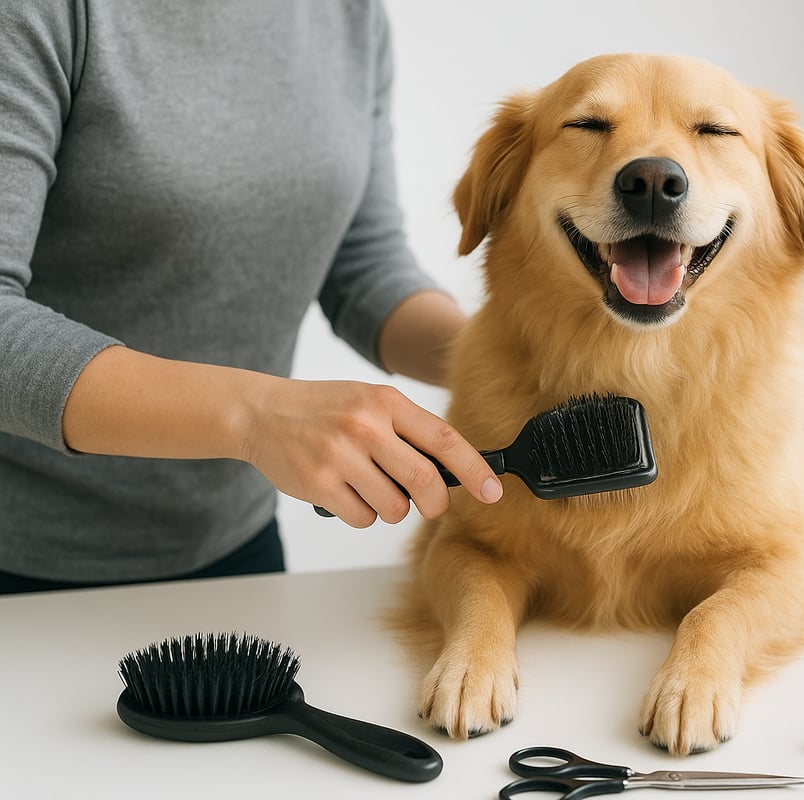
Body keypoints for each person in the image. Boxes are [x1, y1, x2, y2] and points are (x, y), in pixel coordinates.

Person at [0, 1, 502, 594]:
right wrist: (253, 416)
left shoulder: (348, 15)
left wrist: (513, 362)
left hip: (236, 548)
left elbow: (363, 266)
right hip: (24, 561)